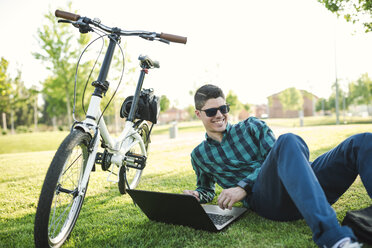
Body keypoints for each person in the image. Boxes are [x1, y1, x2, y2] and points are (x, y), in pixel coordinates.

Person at [183, 84, 371, 248]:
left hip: (304, 183)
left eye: (223, 108)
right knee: (288, 140)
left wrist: (242, 187)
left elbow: (277, 158)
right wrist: (198, 195)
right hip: (269, 200)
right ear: (198, 114)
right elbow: (206, 188)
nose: (219, 115)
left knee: (362, 141)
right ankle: (333, 238)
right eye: (211, 111)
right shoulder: (199, 155)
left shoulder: (252, 126)